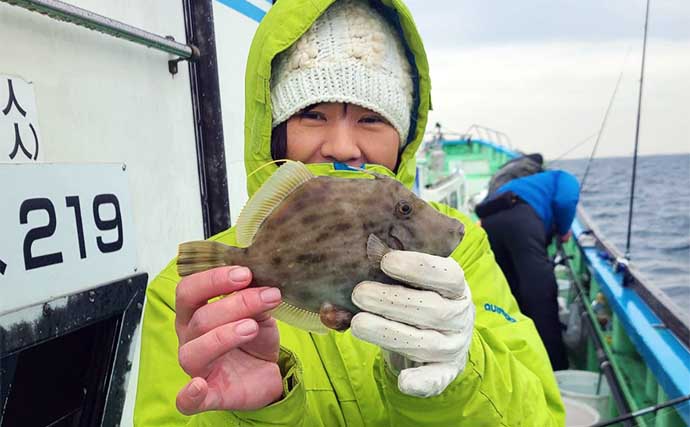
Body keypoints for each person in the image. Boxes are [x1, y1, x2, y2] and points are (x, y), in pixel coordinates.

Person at [134, 0, 565, 425]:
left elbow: (542, 417)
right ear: (274, 130)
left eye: (372, 118)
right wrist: (248, 417)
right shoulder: (189, 291)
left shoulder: (465, 251)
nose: (342, 146)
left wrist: (459, 370)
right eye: (313, 113)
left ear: (403, 135)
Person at [477, 170, 580, 371]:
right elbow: (566, 200)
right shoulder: (564, 177)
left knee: (507, 295)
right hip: (522, 221)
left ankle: (512, 361)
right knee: (540, 295)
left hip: (489, 222)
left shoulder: (525, 184)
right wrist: (564, 229)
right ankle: (554, 367)